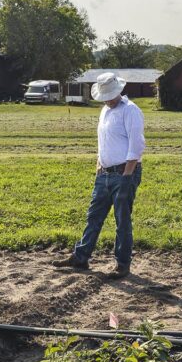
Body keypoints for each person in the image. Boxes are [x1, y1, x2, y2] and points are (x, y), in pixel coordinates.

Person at [53, 72, 145, 279]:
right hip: (104, 173)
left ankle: (122, 264)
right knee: (93, 216)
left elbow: (136, 145)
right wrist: (98, 167)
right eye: (104, 96)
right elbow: (103, 142)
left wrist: (127, 176)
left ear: (118, 91)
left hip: (124, 172)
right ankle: (81, 256)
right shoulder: (105, 110)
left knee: (122, 220)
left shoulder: (130, 111)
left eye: (109, 95)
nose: (107, 100)